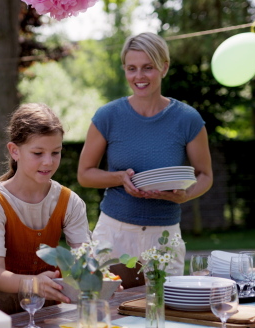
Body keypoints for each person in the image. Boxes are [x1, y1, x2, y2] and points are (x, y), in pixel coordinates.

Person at [77, 32, 213, 275]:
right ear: (125, 70)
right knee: (106, 309)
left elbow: (205, 175)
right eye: (132, 68)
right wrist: (119, 178)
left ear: (164, 67)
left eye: (148, 67)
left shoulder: (188, 119)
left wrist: (186, 194)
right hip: (114, 234)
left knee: (164, 309)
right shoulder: (107, 116)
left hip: (164, 235)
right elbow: (85, 175)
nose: (139, 76)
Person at [0, 103, 91, 315]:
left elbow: (85, 260)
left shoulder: (69, 202)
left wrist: (97, 279)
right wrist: (34, 284)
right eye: (38, 153)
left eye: (56, 152)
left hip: (47, 312)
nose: (48, 162)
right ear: (14, 151)